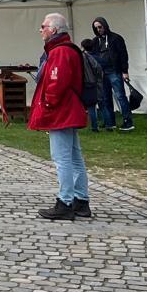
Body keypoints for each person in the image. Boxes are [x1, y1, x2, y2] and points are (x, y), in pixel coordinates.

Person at [32, 13, 92, 220]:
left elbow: (57, 82)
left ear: (54, 29)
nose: (41, 30)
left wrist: (48, 103)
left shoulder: (60, 52)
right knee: (74, 157)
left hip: (62, 111)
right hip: (69, 109)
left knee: (62, 158)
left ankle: (65, 201)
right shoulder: (65, 50)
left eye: (43, 26)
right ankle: (80, 200)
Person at [89, 17, 134, 132]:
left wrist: (125, 71)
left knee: (120, 96)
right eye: (96, 28)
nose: (99, 29)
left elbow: (123, 55)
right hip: (102, 73)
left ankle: (127, 121)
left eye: (100, 27)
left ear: (105, 25)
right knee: (105, 98)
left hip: (114, 71)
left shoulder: (116, 39)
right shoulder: (95, 41)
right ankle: (110, 122)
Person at [81, 36, 111, 132]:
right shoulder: (98, 58)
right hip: (99, 83)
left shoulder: (84, 58)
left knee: (91, 107)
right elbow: (103, 66)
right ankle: (109, 125)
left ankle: (94, 127)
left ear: (83, 47)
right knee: (103, 106)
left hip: (89, 84)